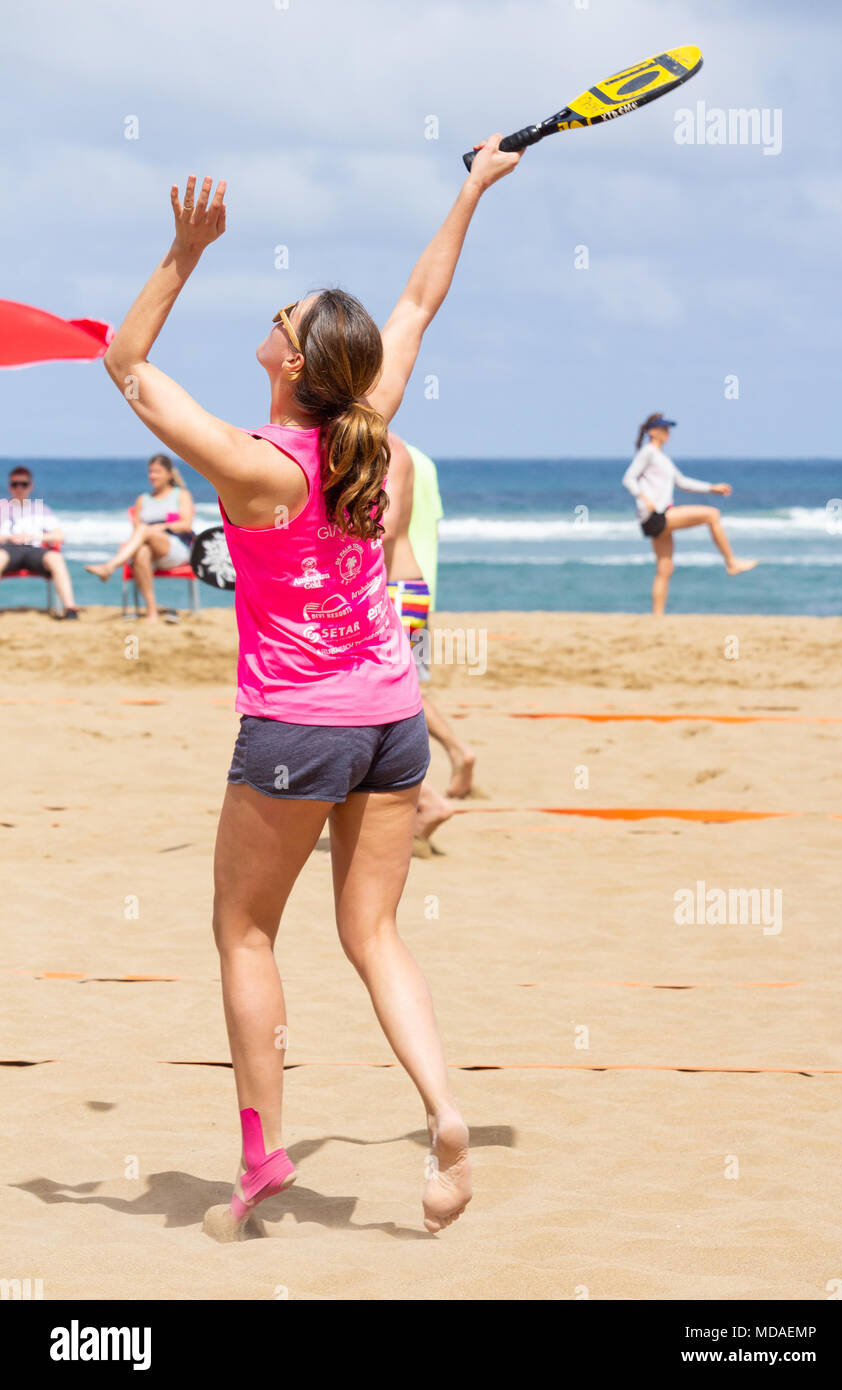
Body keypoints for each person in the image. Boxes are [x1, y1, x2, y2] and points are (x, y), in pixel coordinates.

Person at [101, 143, 522, 1238]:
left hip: (295, 726)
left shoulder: (255, 466)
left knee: (243, 933)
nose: (275, 321)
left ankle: (261, 1157)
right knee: (375, 935)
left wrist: (183, 254)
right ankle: (442, 1114)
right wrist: (471, 184)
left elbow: (124, 360)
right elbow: (421, 297)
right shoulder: (368, 428)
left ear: (292, 365)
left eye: (283, 320)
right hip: (390, 718)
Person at [382, 434, 475, 849]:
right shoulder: (417, 457)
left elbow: (381, 528)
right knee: (404, 691)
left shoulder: (374, 448)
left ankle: (431, 793)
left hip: (388, 589)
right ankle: (453, 759)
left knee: (378, 704)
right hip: (417, 586)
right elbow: (429, 527)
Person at [622, 413, 758, 616]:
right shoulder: (648, 453)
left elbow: (683, 482)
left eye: (668, 429)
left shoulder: (662, 458)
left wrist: (712, 488)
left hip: (657, 517)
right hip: (656, 515)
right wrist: (643, 497)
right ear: (652, 431)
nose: (667, 432)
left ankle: (657, 616)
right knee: (711, 515)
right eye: (663, 428)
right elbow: (628, 479)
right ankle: (731, 562)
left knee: (665, 568)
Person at [86, 454, 195, 621]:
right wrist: (148, 532)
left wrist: (160, 527)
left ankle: (110, 567)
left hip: (175, 547)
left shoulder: (180, 495)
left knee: (144, 530)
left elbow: (186, 524)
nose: (152, 476)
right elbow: (136, 532)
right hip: (150, 551)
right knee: (142, 551)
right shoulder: (143, 499)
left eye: (157, 471)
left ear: (169, 474)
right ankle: (152, 612)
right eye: (150, 472)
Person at [0, 466, 79, 617]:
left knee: (56, 559)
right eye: (15, 484)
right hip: (7, 549)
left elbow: (60, 536)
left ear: (31, 486)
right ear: (9, 486)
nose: (19, 488)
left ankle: (70, 608)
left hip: (34, 549)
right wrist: (9, 537)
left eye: (23, 484)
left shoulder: (41, 508)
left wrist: (34, 536)